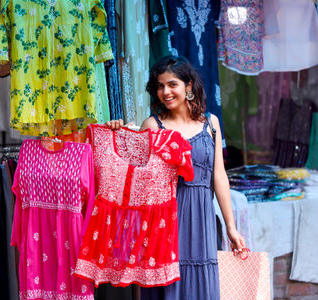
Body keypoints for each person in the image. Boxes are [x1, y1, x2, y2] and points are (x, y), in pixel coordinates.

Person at [105, 55, 245, 300]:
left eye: (172, 84)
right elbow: (134, 179)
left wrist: (231, 227)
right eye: (160, 86)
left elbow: (219, 177)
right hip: (164, 223)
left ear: (188, 86)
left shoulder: (211, 124)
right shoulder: (152, 126)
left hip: (203, 221)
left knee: (201, 286)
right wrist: (116, 134)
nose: (165, 92)